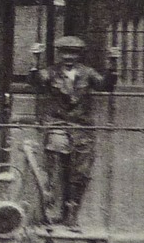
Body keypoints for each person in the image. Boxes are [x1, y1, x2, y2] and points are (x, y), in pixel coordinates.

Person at [28, 35, 119, 227]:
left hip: (82, 129)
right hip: (57, 126)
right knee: (53, 170)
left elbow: (106, 85)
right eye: (65, 52)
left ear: (79, 55)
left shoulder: (87, 73)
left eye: (73, 53)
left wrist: (113, 64)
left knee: (80, 173)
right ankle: (48, 214)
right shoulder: (51, 73)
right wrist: (35, 60)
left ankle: (71, 214)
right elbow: (36, 82)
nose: (69, 57)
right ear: (59, 54)